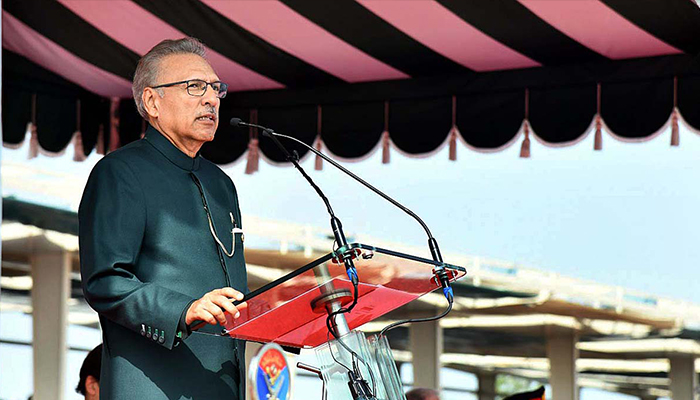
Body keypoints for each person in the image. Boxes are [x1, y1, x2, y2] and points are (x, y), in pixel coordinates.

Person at [79, 37, 248, 399]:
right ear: (153, 101)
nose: (211, 98)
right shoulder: (120, 172)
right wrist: (184, 310)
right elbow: (105, 281)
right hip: (154, 387)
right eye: (195, 87)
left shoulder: (221, 184)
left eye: (216, 88)